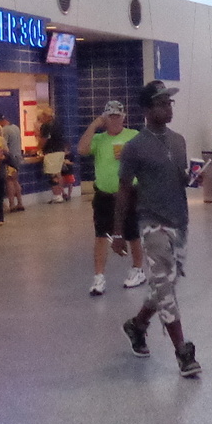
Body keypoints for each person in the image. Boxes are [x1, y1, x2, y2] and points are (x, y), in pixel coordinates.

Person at [114, 81, 201, 377]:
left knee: (165, 285)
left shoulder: (178, 140)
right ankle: (182, 352)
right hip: (152, 223)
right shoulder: (134, 147)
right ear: (147, 110)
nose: (168, 108)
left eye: (169, 103)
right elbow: (124, 190)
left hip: (180, 221)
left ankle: (137, 325)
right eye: (162, 103)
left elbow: (179, 177)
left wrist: (192, 177)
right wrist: (117, 232)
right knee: (165, 286)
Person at [78, 102, 146, 294]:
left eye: (117, 116)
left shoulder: (133, 136)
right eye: (110, 117)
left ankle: (138, 269)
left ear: (123, 117)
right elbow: (82, 150)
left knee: (132, 234)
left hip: (129, 193)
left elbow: (144, 157)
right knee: (101, 235)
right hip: (104, 195)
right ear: (104, 119)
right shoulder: (99, 139)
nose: (114, 120)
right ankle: (99, 277)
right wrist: (93, 126)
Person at [37, 106, 69, 204]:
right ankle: (61, 193)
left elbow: (44, 140)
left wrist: (38, 148)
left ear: (46, 116)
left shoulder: (46, 126)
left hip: (51, 152)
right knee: (58, 173)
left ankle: (57, 195)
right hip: (60, 151)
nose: (40, 119)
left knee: (53, 174)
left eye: (41, 117)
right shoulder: (58, 124)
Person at [1, 114, 25, 212]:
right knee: (15, 180)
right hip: (17, 157)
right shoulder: (16, 127)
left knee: (9, 181)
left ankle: (12, 204)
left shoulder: (5, 130)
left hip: (9, 159)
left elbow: (4, 146)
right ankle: (20, 202)